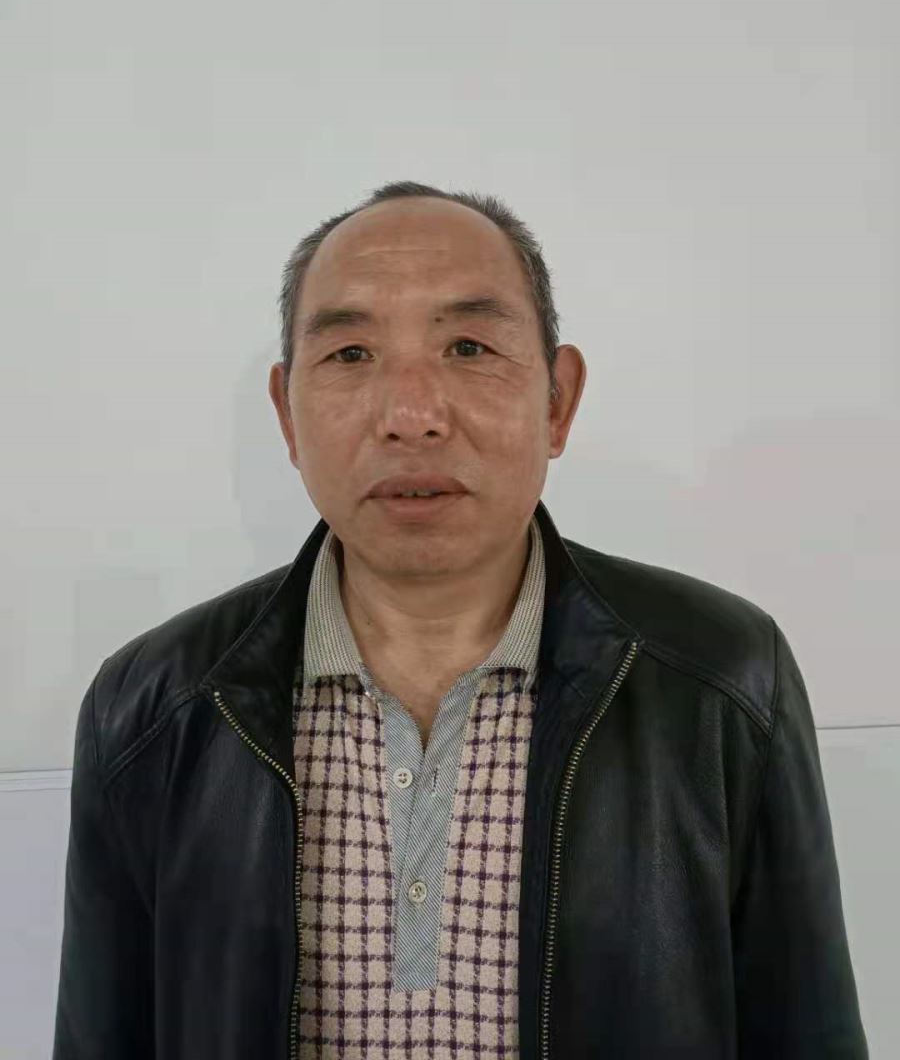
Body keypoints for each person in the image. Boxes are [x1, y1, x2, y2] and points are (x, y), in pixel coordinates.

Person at [52, 180, 868, 1058]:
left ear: (557, 400)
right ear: (287, 413)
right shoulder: (153, 706)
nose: (412, 418)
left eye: (469, 346)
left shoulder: (721, 678)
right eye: (352, 353)